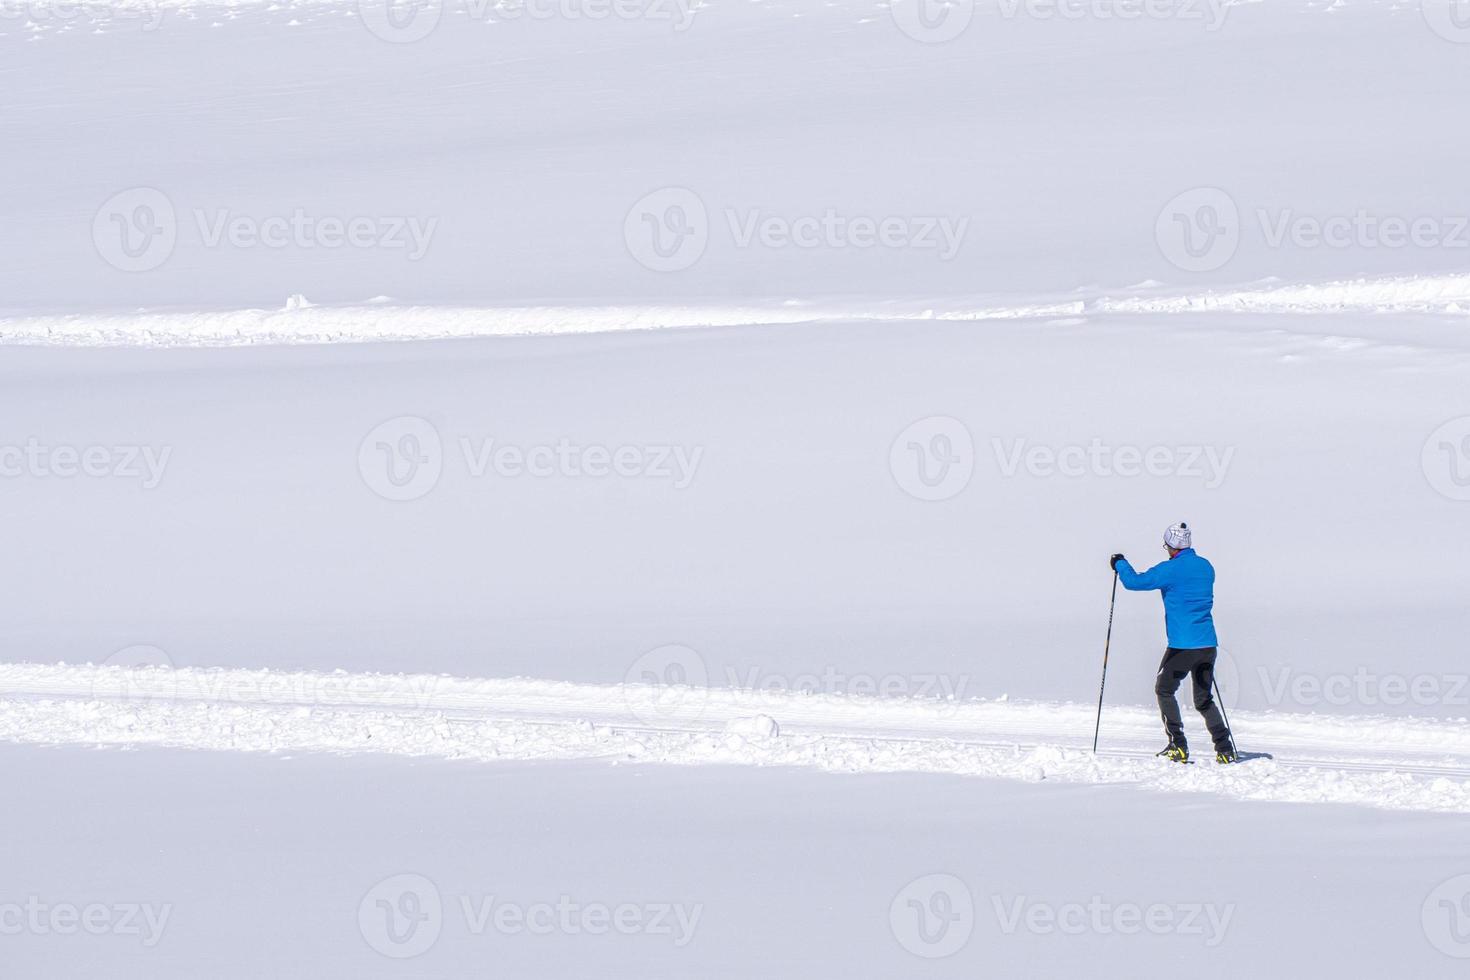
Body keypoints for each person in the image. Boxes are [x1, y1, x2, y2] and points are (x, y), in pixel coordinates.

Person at [1110, 522, 1237, 764]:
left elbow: (1134, 583)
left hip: (1182, 646)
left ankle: (1178, 745)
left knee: (1164, 690)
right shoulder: (1206, 567)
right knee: (1203, 699)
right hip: (1207, 644)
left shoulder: (1170, 570)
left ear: (1170, 546)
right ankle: (1224, 749)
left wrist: (1120, 564)